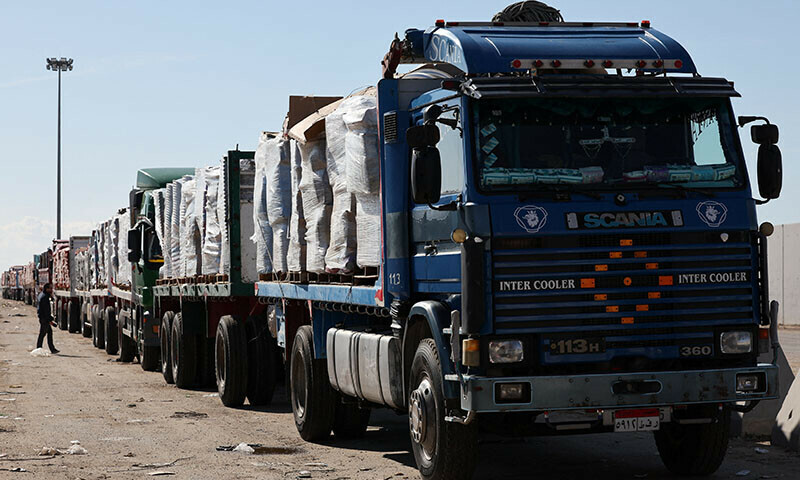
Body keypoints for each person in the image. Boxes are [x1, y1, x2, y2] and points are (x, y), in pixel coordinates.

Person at [36, 283, 59, 354]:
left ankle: (52, 349)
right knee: (42, 334)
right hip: (44, 318)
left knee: (49, 333)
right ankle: (39, 348)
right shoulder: (44, 297)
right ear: (47, 289)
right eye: (50, 288)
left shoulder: (42, 295)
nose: (52, 290)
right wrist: (49, 320)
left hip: (43, 318)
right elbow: (46, 310)